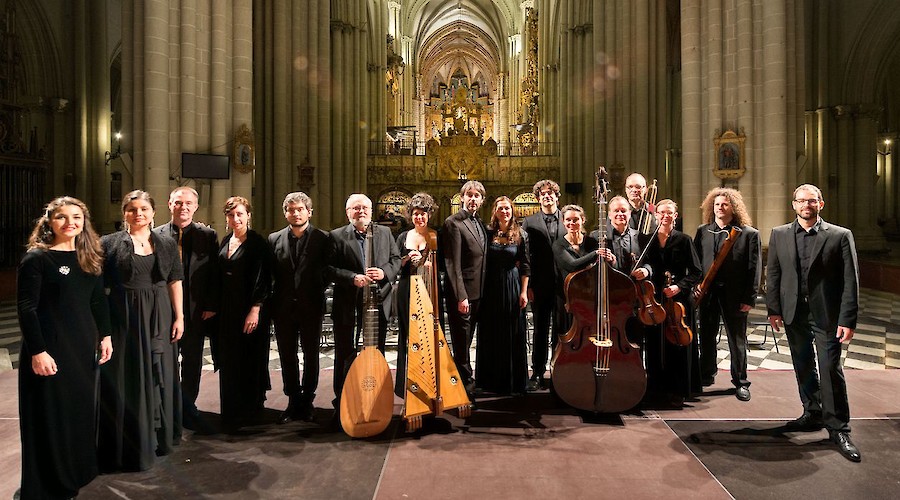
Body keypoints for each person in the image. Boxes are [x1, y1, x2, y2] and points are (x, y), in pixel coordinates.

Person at [16, 197, 113, 499]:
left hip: (82, 346)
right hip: (49, 349)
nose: (70, 222)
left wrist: (106, 336)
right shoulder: (37, 258)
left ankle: (77, 471)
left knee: (79, 413)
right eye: (61, 217)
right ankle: (50, 484)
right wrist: (38, 351)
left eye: (77, 216)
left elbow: (97, 300)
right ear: (49, 222)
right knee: (50, 415)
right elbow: (27, 307)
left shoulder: (90, 255)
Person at [766, 184, 861, 462]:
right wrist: (773, 309)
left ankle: (839, 427)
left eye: (812, 200)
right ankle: (812, 412)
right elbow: (773, 274)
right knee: (803, 363)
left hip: (827, 314)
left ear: (821, 204)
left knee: (831, 367)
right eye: (801, 201)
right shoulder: (780, 234)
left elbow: (850, 280)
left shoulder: (841, 236)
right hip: (793, 312)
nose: (806, 205)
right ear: (793, 205)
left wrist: (848, 319)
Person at [99, 190, 184, 471]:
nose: (139, 214)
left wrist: (179, 317)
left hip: (159, 313)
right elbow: (99, 288)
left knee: (160, 374)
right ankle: (130, 441)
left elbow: (175, 281)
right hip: (124, 314)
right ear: (124, 212)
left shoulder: (167, 243)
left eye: (144, 209)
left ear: (153, 212)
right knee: (127, 375)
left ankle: (159, 436)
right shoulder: (109, 243)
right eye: (132, 209)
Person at [328, 194, 401, 414]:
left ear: (371, 210)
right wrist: (352, 278)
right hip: (348, 303)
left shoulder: (385, 232)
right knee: (344, 352)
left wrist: (384, 272)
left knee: (376, 352)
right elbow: (328, 268)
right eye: (356, 208)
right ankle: (342, 400)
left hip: (377, 303)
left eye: (365, 208)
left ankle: (376, 397)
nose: (361, 211)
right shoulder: (336, 236)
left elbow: (396, 260)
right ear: (347, 212)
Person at [153, 187, 218, 432]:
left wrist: (211, 305)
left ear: (196, 206)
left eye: (189, 203)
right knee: (166, 362)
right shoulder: (156, 235)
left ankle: (188, 407)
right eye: (178, 203)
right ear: (169, 204)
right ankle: (168, 408)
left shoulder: (207, 235)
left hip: (196, 311)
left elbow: (214, 273)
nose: (184, 207)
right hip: (164, 311)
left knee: (192, 362)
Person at [267, 192, 332, 424]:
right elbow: (271, 273)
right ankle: (293, 399)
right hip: (283, 306)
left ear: (309, 212)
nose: (295, 213)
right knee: (287, 355)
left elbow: (327, 271)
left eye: (300, 209)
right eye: (291, 210)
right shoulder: (274, 239)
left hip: (311, 305)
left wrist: (313, 290)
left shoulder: (323, 238)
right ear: (285, 212)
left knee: (311, 354)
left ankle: (308, 400)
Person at [694, 188, 760, 402]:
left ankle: (741, 382)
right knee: (706, 336)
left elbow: (754, 269)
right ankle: (706, 374)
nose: (720, 208)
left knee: (737, 340)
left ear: (734, 207)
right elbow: (696, 263)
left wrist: (749, 299)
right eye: (716, 204)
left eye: (724, 204)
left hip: (735, 295)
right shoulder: (703, 231)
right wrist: (696, 285)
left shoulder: (748, 233)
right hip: (708, 294)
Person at [216, 196, 271, 431]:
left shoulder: (258, 243)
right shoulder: (225, 241)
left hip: (251, 310)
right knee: (229, 359)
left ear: (249, 215)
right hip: (228, 310)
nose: (235, 218)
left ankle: (250, 410)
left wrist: (255, 309)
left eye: (240, 214)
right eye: (231, 215)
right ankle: (230, 410)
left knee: (250, 358)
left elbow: (264, 278)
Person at [644, 199, 703, 404]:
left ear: (675, 216)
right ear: (655, 215)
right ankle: (655, 387)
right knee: (654, 342)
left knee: (678, 343)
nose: (665, 216)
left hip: (678, 300)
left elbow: (697, 271)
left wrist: (679, 286)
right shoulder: (647, 240)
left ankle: (679, 389)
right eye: (661, 213)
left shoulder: (684, 240)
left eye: (669, 213)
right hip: (654, 298)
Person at [475, 196, 530, 395]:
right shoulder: (487, 233)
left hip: (512, 284)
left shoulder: (521, 234)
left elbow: (525, 264)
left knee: (512, 331)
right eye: (500, 208)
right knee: (491, 331)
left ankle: (513, 382)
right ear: (494, 211)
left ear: (512, 210)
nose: (504, 212)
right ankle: (489, 381)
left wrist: (523, 291)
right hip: (490, 286)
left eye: (507, 208)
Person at [442, 180, 488, 395]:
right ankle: (463, 389)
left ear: (481, 200)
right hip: (463, 296)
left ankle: (461, 383)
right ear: (461, 198)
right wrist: (461, 296)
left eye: (477, 195)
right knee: (462, 345)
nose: (472, 199)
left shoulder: (479, 223)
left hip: (479, 293)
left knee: (470, 341)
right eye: (469, 195)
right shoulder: (453, 223)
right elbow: (453, 263)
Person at [521, 179, 566, 391]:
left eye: (550, 193)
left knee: (562, 328)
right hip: (539, 284)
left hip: (565, 285)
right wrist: (528, 285)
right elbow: (526, 256)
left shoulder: (568, 219)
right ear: (538, 198)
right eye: (542, 194)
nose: (547, 196)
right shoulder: (529, 223)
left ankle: (559, 371)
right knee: (540, 329)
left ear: (557, 196)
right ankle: (537, 372)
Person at [394, 192, 438, 397]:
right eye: (416, 214)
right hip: (406, 288)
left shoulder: (435, 236)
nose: (419, 217)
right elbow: (394, 263)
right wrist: (405, 259)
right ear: (411, 215)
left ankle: (429, 380)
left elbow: (446, 265)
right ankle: (406, 383)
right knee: (407, 334)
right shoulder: (403, 236)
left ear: (429, 215)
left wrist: (431, 264)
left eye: (423, 214)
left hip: (429, 290)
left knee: (428, 335)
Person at [552, 205, 606, 336]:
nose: (572, 223)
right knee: (568, 333)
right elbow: (572, 265)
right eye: (568, 220)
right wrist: (595, 254)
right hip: (568, 297)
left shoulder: (592, 242)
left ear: (583, 220)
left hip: (590, 295)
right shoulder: (558, 244)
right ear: (563, 222)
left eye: (575, 219)